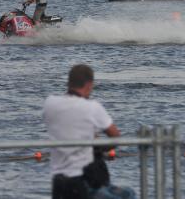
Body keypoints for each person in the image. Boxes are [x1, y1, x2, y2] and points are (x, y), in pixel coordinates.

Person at [43, 64, 135, 199]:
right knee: (128, 194)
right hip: (83, 181)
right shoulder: (92, 107)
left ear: (69, 83)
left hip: (58, 181)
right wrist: (98, 147)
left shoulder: (50, 103)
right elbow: (115, 137)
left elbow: (68, 124)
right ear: (89, 84)